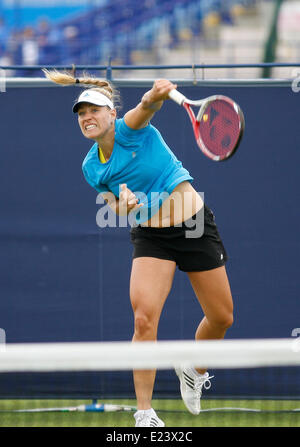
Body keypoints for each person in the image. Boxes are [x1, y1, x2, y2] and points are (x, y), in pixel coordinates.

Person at [43, 69, 234, 427]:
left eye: (94, 111)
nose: (87, 118)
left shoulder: (131, 129)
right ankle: (144, 414)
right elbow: (112, 203)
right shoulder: (91, 167)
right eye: (81, 114)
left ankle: (194, 367)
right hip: (151, 235)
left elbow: (145, 107)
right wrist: (124, 205)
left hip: (193, 226)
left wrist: (155, 94)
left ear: (111, 114)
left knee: (222, 317)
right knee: (144, 319)